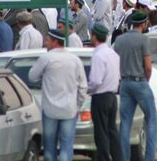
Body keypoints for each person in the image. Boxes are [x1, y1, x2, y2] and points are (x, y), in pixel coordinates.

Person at [29, 30, 87, 161]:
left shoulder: (46, 58)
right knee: (66, 147)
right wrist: (78, 104)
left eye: (48, 40)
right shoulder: (75, 59)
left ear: (55, 42)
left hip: (50, 110)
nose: (45, 43)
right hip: (69, 110)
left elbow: (32, 77)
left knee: (49, 149)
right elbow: (83, 86)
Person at [114, 12, 157, 161]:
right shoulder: (143, 40)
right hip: (140, 81)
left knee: (125, 123)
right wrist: (146, 80)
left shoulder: (119, 40)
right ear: (144, 24)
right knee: (152, 119)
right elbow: (148, 66)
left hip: (124, 83)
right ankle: (149, 157)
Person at [88, 24, 122, 161]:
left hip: (100, 97)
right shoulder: (113, 54)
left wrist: (85, 90)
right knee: (112, 131)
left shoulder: (98, 55)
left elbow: (95, 81)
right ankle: (118, 157)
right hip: (112, 96)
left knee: (101, 133)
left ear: (94, 36)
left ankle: (104, 158)